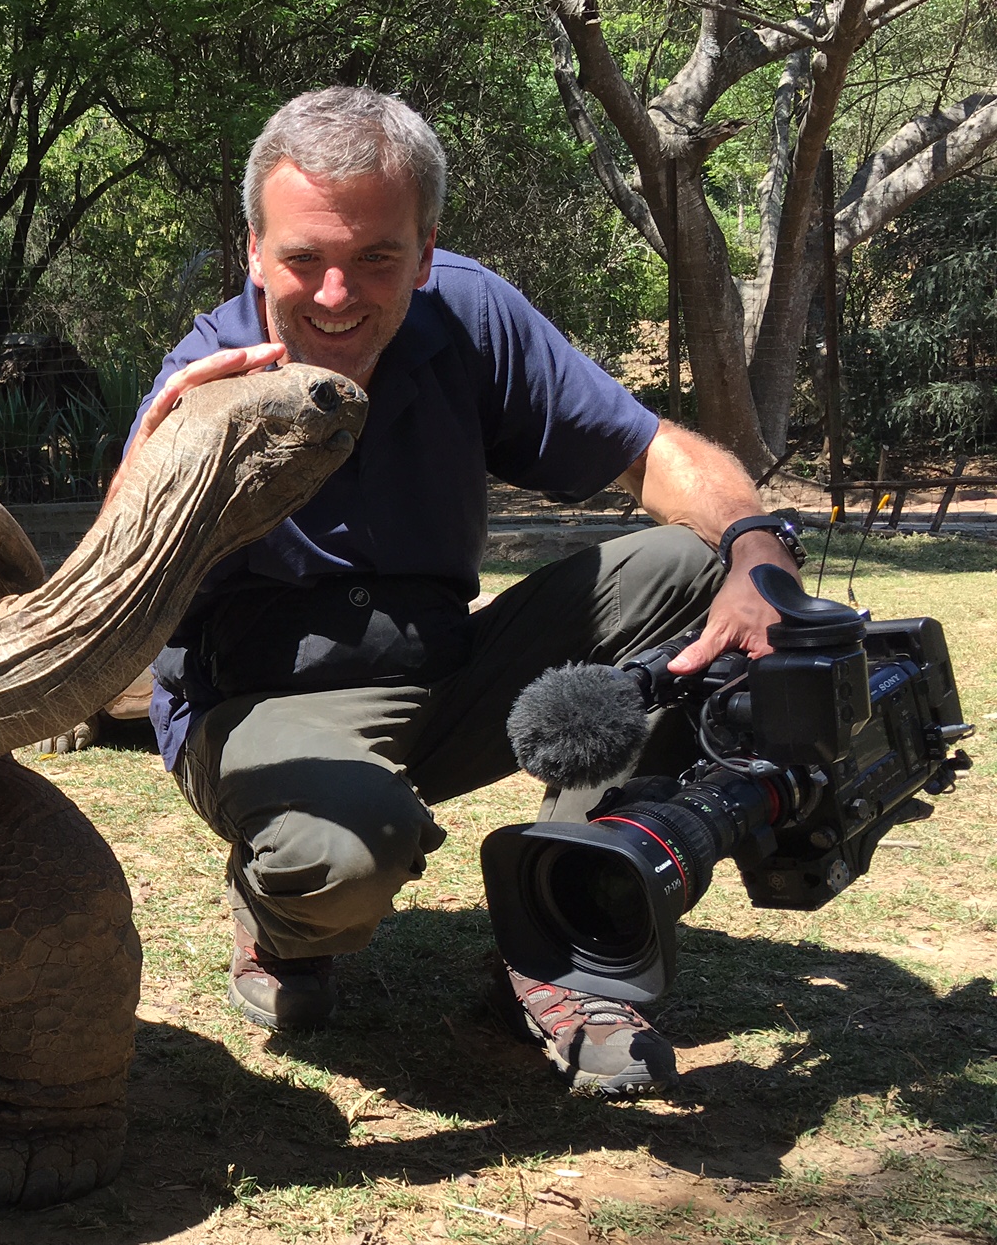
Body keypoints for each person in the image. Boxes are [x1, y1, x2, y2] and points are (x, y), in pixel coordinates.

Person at [120, 88, 808, 1096]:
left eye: (377, 258)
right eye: (304, 259)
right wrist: (157, 459)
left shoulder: (471, 315)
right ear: (255, 251)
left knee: (696, 567)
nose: (337, 295)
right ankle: (279, 913)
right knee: (344, 859)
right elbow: (114, 579)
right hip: (265, 701)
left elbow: (652, 452)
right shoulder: (203, 379)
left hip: (444, 666)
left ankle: (568, 930)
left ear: (425, 250)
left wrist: (758, 550)